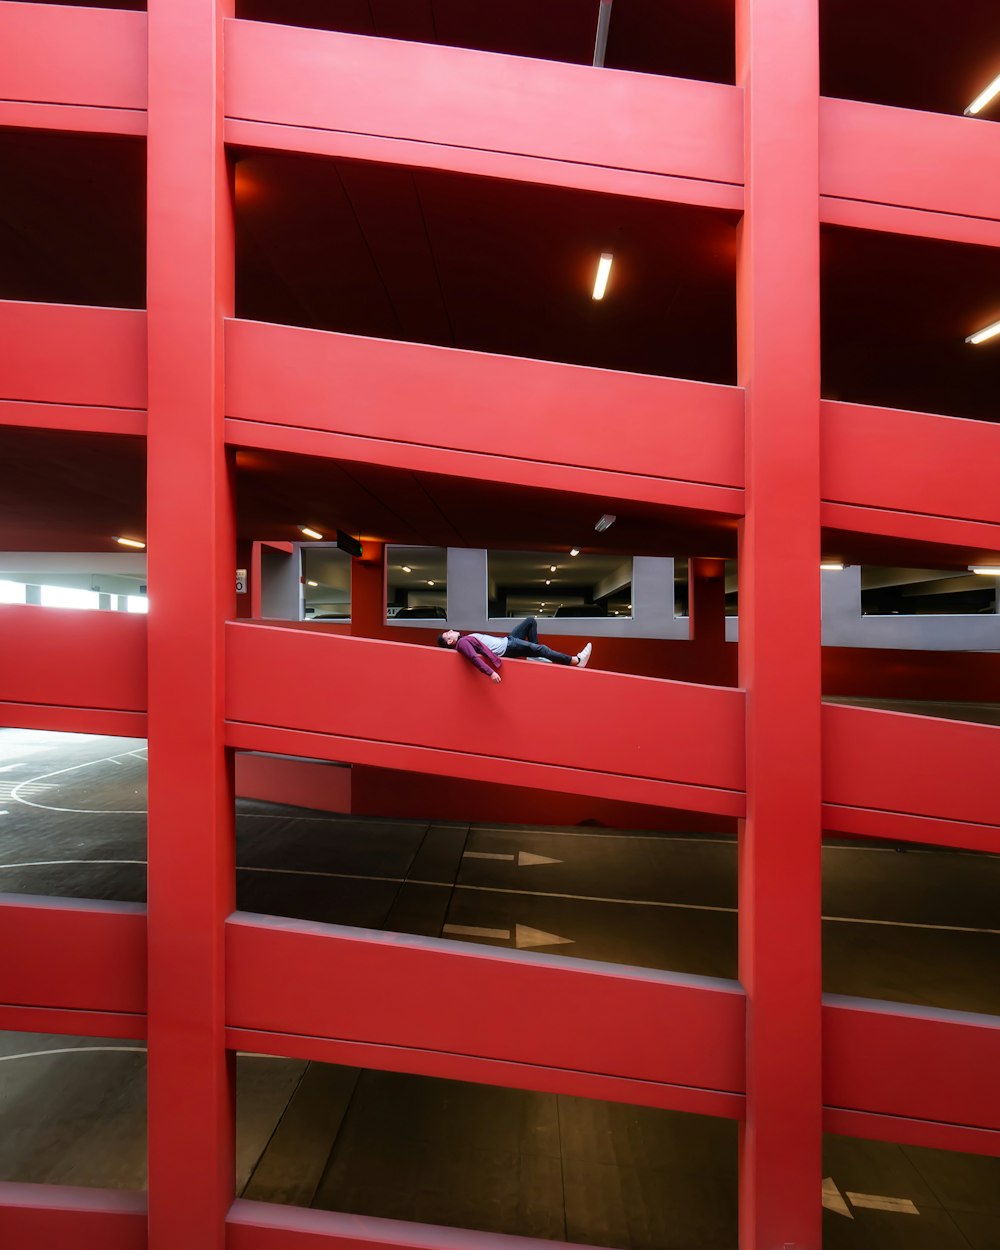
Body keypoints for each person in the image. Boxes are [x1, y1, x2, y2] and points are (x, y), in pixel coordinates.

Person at [438, 617, 592, 684]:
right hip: (508, 648)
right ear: (450, 641)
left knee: (530, 622)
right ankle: (576, 661)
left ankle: (535, 656)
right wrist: (491, 673)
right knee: (542, 649)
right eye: (448, 634)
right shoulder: (463, 643)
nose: (451, 630)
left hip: (508, 640)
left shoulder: (464, 639)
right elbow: (474, 658)